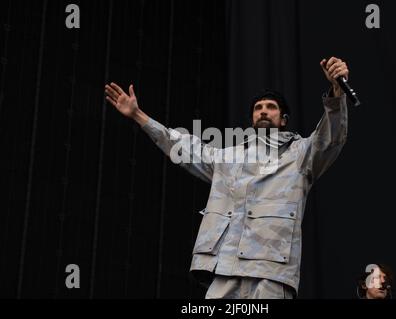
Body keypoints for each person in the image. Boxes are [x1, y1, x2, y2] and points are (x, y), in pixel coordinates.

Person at [104, 57, 349, 299]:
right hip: (224, 269)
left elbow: (330, 137)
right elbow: (181, 146)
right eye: (258, 107)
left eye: (271, 107)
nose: (263, 110)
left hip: (271, 272)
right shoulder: (228, 157)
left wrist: (337, 91)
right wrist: (138, 115)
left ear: (284, 120)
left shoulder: (301, 154)